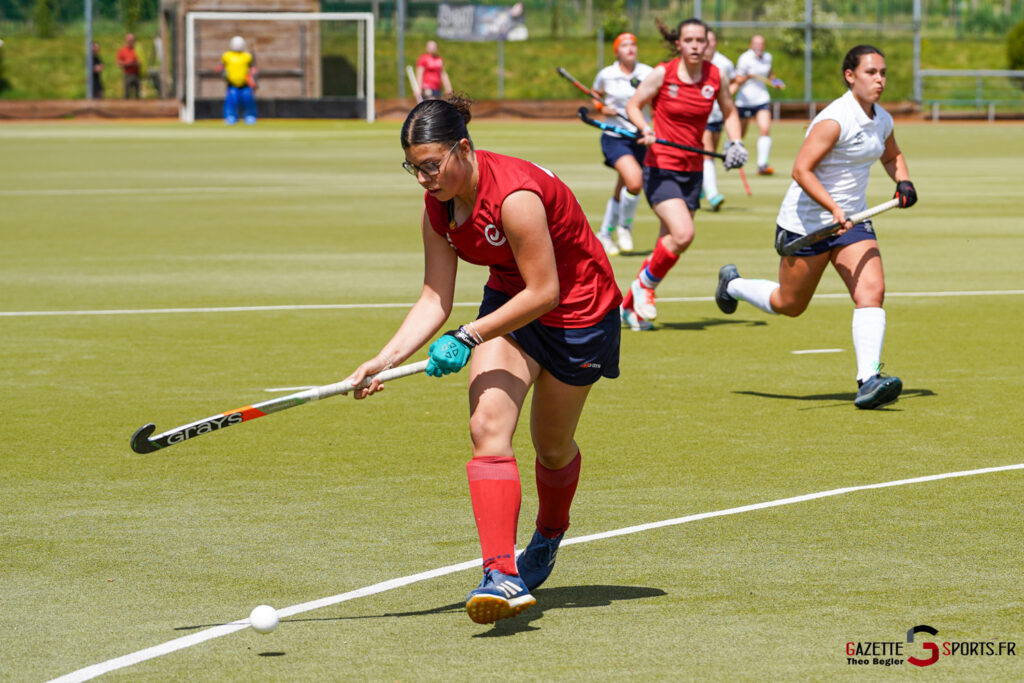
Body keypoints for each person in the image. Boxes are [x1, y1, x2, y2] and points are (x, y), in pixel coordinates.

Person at [342, 95, 622, 625]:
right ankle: (501, 574)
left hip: (578, 314)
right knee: (487, 426)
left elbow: (545, 291)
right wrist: (384, 359)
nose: (423, 179)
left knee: (552, 447)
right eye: (413, 167)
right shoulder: (439, 206)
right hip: (510, 307)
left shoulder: (515, 197)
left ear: (464, 149)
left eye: (431, 165)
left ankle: (549, 534)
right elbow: (434, 298)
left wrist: (467, 336)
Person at [715, 45, 917, 410]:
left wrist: (902, 180)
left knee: (872, 291)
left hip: (853, 222)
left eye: (883, 73)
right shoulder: (835, 119)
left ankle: (868, 380)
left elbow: (892, 155)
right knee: (790, 304)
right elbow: (801, 170)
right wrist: (833, 208)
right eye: (871, 73)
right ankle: (733, 285)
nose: (880, 80)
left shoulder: (882, 119)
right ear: (850, 76)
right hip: (808, 224)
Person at [620, 18, 747, 332]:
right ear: (678, 44)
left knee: (667, 243)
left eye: (700, 40)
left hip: (693, 171)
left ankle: (629, 307)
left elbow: (729, 111)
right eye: (688, 40)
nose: (695, 46)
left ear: (707, 44)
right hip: (661, 168)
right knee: (683, 234)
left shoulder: (716, 76)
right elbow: (634, 105)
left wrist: (736, 142)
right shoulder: (663, 73)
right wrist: (645, 128)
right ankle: (645, 286)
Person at [590, 32, 654, 255]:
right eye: (624, 45)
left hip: (640, 137)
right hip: (615, 136)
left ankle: (604, 234)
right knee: (634, 182)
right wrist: (602, 108)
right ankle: (625, 226)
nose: (630, 48)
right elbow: (595, 94)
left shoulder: (647, 72)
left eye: (633, 44)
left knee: (623, 186)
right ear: (616, 51)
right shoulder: (607, 74)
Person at [733, 35, 785, 175]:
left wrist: (775, 82)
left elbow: (770, 74)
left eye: (761, 44)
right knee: (740, 134)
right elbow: (737, 80)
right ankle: (729, 152)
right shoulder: (744, 59)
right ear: (751, 45)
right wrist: (748, 76)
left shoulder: (768, 57)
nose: (758, 46)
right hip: (745, 100)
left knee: (765, 129)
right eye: (756, 43)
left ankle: (762, 164)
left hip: (761, 99)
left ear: (764, 45)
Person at [701, 29, 735, 211]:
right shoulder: (695, 63)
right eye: (705, 40)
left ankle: (701, 184)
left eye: (712, 40)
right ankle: (712, 194)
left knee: (711, 154)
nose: (708, 44)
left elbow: (732, 83)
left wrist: (726, 97)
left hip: (717, 115)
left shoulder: (725, 64)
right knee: (707, 152)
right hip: (702, 115)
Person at [216, 36, 257, 125]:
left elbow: (252, 68)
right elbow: (220, 67)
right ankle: (230, 117)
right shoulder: (227, 56)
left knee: (248, 100)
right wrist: (222, 73)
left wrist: (253, 80)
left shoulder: (247, 56)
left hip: (245, 84)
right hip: (232, 84)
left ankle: (250, 116)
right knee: (232, 100)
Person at [116, 33, 140, 99]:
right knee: (126, 94)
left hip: (137, 74)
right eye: (130, 40)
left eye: (133, 40)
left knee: (137, 95)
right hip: (127, 74)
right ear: (126, 40)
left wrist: (137, 63)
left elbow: (141, 60)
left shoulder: (137, 49)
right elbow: (119, 63)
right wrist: (128, 63)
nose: (131, 41)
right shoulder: (122, 51)